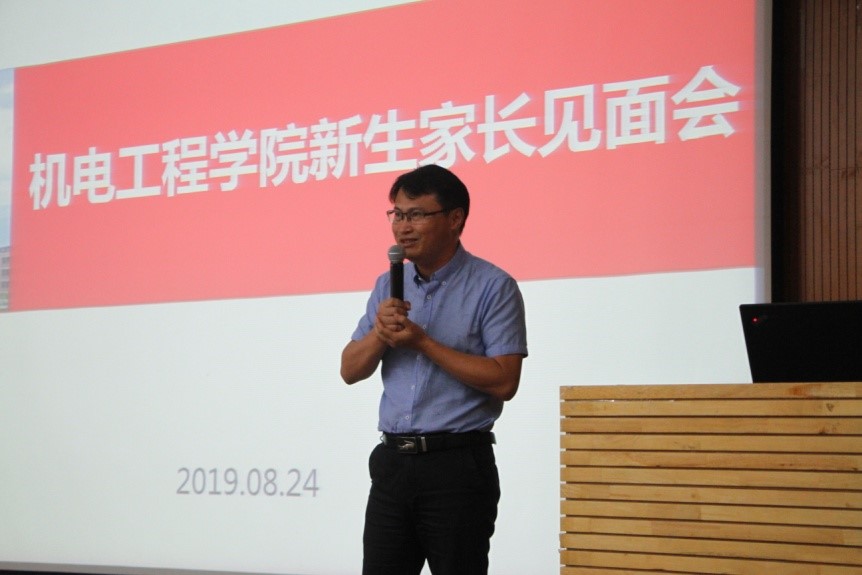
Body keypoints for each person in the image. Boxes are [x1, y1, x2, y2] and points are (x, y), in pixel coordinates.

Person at [340, 164, 528, 575]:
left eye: (416, 215)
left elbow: (504, 380)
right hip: (392, 464)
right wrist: (379, 334)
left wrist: (423, 342)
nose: (403, 227)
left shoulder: (493, 286)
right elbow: (349, 370)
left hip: (456, 467)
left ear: (455, 218)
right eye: (397, 214)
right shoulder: (387, 284)